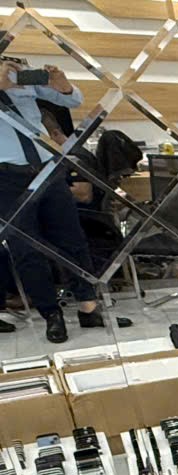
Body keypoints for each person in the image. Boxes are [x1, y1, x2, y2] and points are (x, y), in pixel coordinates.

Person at [0, 58, 106, 342]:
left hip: (48, 169)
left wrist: (63, 85)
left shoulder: (19, 75)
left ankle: (88, 307)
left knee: (72, 239)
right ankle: (51, 314)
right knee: (26, 249)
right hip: (5, 178)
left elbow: (73, 101)